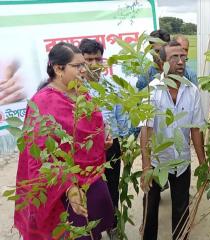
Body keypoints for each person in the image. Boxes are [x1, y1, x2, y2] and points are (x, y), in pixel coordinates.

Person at [14, 42, 114, 239]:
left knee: (92, 230)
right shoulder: (43, 102)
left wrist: (101, 141)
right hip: (62, 190)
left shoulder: (82, 94)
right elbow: (41, 154)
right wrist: (69, 187)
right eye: (78, 66)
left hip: (90, 178)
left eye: (84, 65)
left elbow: (90, 130)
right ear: (58, 68)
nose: (85, 70)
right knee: (72, 233)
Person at [139, 40, 206, 240]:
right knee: (150, 207)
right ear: (162, 64)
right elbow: (147, 130)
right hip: (158, 161)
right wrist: (146, 166)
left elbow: (195, 129)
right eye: (173, 58)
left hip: (181, 160)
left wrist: (203, 163)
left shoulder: (192, 90)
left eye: (183, 56)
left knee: (181, 206)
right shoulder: (153, 91)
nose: (180, 61)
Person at [79, 38, 130, 238]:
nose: (94, 65)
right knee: (91, 190)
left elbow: (121, 115)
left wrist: (124, 142)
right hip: (88, 150)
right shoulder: (77, 90)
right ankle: (94, 229)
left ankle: (112, 224)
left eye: (98, 59)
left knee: (112, 186)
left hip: (112, 145)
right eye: (89, 59)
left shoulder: (112, 85)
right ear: (81, 61)